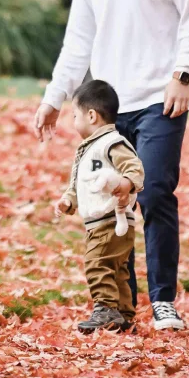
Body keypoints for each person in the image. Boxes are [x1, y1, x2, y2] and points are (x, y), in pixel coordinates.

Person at [35, 0, 189, 332]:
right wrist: (54, 99)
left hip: (159, 99)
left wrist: (183, 74)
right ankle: (119, 305)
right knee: (113, 204)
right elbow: (78, 41)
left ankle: (163, 301)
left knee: (152, 193)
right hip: (107, 111)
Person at [56, 78, 145, 334]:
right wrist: (68, 201)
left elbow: (134, 167)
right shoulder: (89, 148)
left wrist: (128, 183)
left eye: (75, 115)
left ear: (92, 115)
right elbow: (80, 184)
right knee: (117, 271)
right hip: (105, 221)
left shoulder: (111, 143)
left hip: (109, 219)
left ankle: (105, 308)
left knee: (97, 262)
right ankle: (124, 315)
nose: (73, 121)